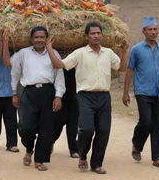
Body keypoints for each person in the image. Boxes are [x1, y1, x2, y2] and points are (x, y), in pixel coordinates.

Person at [46, 21, 128, 174]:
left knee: (103, 131)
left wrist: (125, 51)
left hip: (104, 96)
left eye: (98, 33)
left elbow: (122, 68)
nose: (96, 36)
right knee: (86, 129)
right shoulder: (80, 53)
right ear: (87, 36)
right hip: (85, 97)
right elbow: (59, 65)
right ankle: (82, 155)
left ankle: (96, 164)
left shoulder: (108, 53)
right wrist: (49, 48)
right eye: (93, 33)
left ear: (102, 35)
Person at [11, 26, 65, 171]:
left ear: (47, 39)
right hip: (29, 93)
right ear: (31, 39)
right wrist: (14, 93)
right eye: (36, 37)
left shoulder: (53, 54)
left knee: (46, 128)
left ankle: (40, 160)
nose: (39, 40)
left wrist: (58, 96)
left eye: (42, 37)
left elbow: (59, 76)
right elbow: (15, 74)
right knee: (25, 127)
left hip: (48, 92)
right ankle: (29, 149)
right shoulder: (23, 54)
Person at [123, 17, 159, 169]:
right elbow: (130, 70)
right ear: (144, 31)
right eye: (149, 29)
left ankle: (158, 158)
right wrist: (125, 92)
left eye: (155, 29)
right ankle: (137, 144)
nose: (153, 32)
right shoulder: (137, 49)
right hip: (143, 91)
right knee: (146, 121)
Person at [52, 67, 79, 159]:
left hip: (75, 94)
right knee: (58, 121)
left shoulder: (78, 54)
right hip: (60, 94)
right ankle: (50, 141)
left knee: (73, 122)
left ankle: (73, 149)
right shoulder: (56, 56)